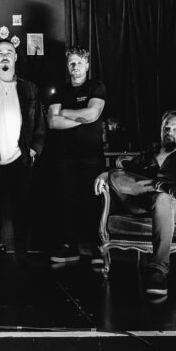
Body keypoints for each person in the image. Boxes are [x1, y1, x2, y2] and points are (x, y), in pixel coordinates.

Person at [94, 110, 176, 296]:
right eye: (166, 128)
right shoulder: (149, 153)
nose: (169, 132)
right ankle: (165, 187)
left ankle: (158, 270)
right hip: (141, 202)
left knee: (162, 198)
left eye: (175, 129)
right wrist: (105, 174)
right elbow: (122, 174)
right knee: (115, 174)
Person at [0, 40, 47, 269]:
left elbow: (40, 124)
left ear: (15, 57)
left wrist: (34, 148)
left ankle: (21, 253)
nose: (4, 55)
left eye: (9, 52)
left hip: (21, 158)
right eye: (0, 52)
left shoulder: (30, 88)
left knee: (22, 207)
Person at [47, 47, 106, 266]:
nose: (75, 67)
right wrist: (81, 118)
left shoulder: (96, 87)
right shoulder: (60, 91)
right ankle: (70, 247)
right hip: (65, 156)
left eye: (79, 63)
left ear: (87, 65)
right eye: (72, 63)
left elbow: (93, 114)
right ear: (67, 66)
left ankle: (97, 247)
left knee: (93, 202)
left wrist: (64, 113)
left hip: (91, 155)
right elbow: (52, 122)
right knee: (68, 202)